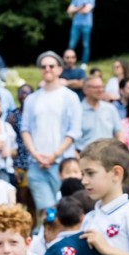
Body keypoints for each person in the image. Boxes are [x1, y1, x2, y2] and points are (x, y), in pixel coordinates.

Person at [21, 51, 82, 214]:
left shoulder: (70, 97)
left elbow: (74, 131)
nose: (47, 69)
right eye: (43, 66)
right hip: (37, 164)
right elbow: (25, 130)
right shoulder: (31, 99)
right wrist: (36, 155)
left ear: (59, 69)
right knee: (48, 213)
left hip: (63, 164)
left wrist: (55, 155)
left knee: (68, 211)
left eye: (51, 66)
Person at [77, 75, 121, 152]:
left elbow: (119, 132)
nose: (100, 90)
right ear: (85, 90)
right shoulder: (78, 111)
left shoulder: (110, 109)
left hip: (108, 155)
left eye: (102, 87)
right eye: (96, 87)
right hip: (85, 156)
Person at [67, 0, 95, 64]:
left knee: (85, 45)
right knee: (71, 45)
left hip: (87, 25)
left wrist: (75, 9)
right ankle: (69, 62)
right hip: (76, 24)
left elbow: (86, 10)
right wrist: (80, 7)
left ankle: (84, 63)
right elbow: (69, 10)